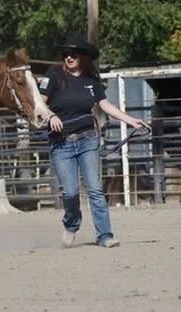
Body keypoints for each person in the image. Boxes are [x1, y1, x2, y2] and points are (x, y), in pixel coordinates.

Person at [39, 32, 150, 248]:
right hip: (61, 143)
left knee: (95, 189)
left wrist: (131, 121)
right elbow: (39, 104)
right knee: (70, 192)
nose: (69, 57)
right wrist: (50, 115)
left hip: (88, 139)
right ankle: (72, 224)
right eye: (65, 54)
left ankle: (105, 235)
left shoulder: (91, 79)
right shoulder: (53, 76)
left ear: (82, 56)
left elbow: (105, 105)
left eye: (73, 54)